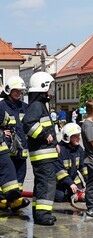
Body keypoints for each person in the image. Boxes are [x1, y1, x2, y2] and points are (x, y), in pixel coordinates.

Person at [22, 72, 59, 226]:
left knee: (41, 183)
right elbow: (28, 124)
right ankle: (43, 214)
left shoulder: (39, 104)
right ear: (43, 86)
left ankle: (39, 212)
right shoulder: (37, 106)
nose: (51, 90)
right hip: (42, 155)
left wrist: (54, 142)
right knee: (47, 183)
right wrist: (44, 136)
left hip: (44, 154)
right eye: (49, 86)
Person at [0, 76, 30, 211]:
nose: (18, 93)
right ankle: (3, 199)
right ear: (8, 90)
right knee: (7, 174)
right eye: (15, 90)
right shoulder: (1, 106)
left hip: (21, 148)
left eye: (20, 91)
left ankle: (15, 201)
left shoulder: (25, 107)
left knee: (19, 175)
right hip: (6, 147)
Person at [54, 123, 87, 202]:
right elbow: (59, 171)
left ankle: (75, 195)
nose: (78, 138)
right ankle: (70, 196)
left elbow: (83, 167)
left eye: (79, 136)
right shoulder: (60, 150)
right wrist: (70, 183)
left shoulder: (79, 149)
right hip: (60, 182)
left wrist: (89, 181)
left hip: (74, 180)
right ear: (67, 137)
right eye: (75, 136)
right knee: (59, 197)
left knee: (84, 195)